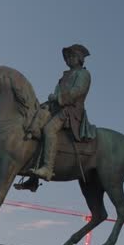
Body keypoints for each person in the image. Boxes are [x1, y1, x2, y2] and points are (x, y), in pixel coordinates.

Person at [31, 43, 95, 180]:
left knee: (49, 129)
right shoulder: (65, 76)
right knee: (36, 124)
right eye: (67, 57)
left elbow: (77, 91)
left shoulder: (83, 74)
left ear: (79, 58)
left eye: (71, 56)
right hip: (58, 107)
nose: (68, 59)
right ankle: (33, 173)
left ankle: (48, 169)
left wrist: (57, 98)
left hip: (71, 110)